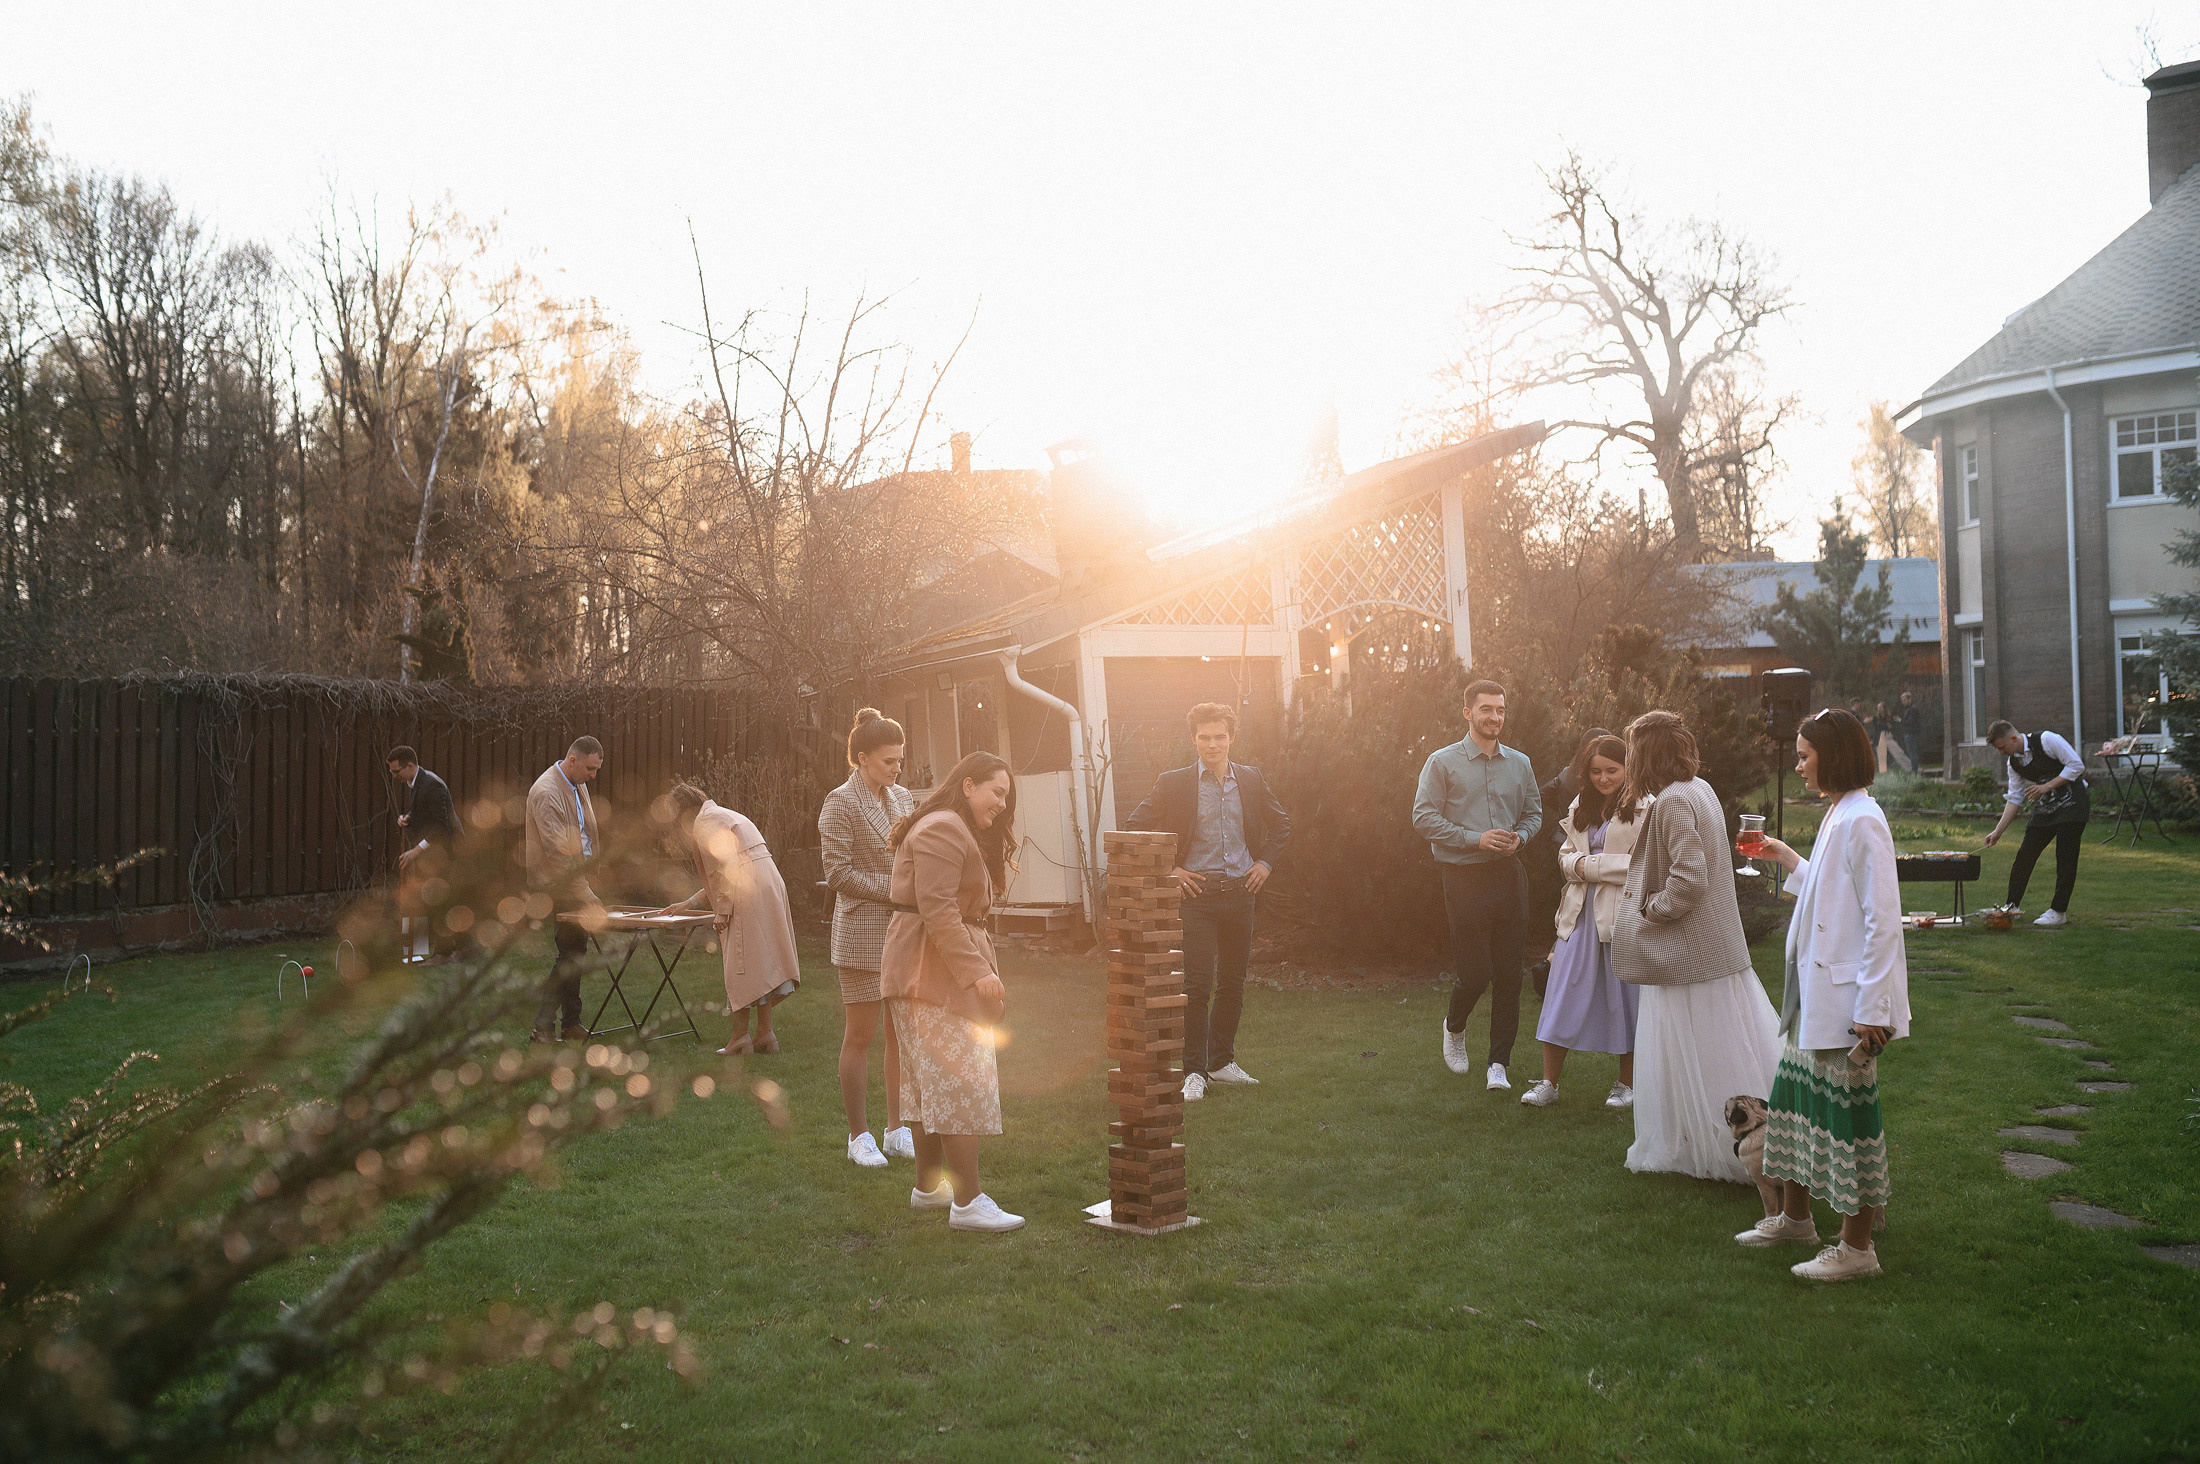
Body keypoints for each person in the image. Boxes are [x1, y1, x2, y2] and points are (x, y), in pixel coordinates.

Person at [1750, 707, 1909, 1281]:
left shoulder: (1864, 818)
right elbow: (1828, 892)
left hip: (1847, 1006)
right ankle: (1795, 1219)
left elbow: (1882, 919)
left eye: (1804, 757)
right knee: (1795, 1108)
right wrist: (1789, 859)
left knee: (1848, 1125)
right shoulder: (1842, 811)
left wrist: (1873, 1009)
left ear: (1833, 756)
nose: (1798, 768)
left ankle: (1858, 1249)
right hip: (1812, 998)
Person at [1610, 710, 1781, 1182]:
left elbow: (1690, 878)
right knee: (1732, 1047)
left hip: (1690, 955)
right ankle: (1753, 1141)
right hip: (1718, 949)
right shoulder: (1699, 789)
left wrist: (1653, 909)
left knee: (1697, 1052)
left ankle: (1710, 1146)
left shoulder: (1673, 800)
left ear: (1646, 754)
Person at [882, 751, 1022, 1233]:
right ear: (967, 785)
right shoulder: (944, 827)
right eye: (996, 792)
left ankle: (928, 1188)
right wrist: (976, 973)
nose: (1002, 804)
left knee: (923, 1083)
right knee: (960, 1080)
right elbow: (938, 907)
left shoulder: (939, 823)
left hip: (916, 965)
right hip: (934, 967)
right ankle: (968, 1202)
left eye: (1006, 795)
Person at [1125, 701, 1291, 1102]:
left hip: (1241, 894)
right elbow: (1134, 827)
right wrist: (1171, 870)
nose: (1212, 745)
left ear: (1232, 738)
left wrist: (1265, 863)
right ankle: (1194, 1072)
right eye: (1204, 737)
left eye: (1220, 737)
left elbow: (1281, 823)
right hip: (1196, 898)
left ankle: (1221, 1062)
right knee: (1197, 985)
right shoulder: (1174, 783)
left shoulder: (1249, 779)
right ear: (1193, 739)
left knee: (1233, 983)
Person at [1413, 679, 1541, 1091]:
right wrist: (1476, 838)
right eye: (1486, 709)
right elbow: (1423, 818)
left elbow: (1534, 813)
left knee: (1509, 975)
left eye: (1500, 710)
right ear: (1468, 713)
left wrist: (1521, 836)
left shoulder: (1520, 763)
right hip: (1463, 877)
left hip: (1508, 876)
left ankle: (1498, 1065)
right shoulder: (1442, 762)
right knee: (1475, 972)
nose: (1495, 717)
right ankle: (1454, 1026)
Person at [818, 708, 920, 1166]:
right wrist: (898, 892)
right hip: (860, 934)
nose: (897, 769)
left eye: (900, 760)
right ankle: (859, 1137)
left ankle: (896, 1128)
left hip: (901, 934)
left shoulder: (903, 799)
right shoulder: (839, 801)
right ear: (861, 758)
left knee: (901, 1034)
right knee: (860, 1035)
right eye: (887, 761)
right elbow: (837, 873)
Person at [1519, 734, 1641, 1110]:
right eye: (1596, 771)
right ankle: (1548, 1084)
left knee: (1627, 997)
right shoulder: (1580, 805)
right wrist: (1578, 865)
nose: (1604, 779)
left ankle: (1627, 1083)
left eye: (1612, 771)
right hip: (1579, 913)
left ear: (1628, 768)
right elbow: (1566, 856)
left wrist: (1591, 867)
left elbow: (1643, 864)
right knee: (1560, 992)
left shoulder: (1645, 807)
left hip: (1620, 915)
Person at [654, 783, 801, 1056]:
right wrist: (690, 903)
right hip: (766, 883)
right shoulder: (722, 814)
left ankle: (740, 1038)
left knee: (740, 962)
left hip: (746, 889)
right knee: (762, 962)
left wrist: (722, 910)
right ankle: (764, 1034)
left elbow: (727, 867)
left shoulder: (705, 822)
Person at [1524, 728, 1614, 1003]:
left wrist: (1560, 815)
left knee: (1572, 913)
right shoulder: (1602, 778)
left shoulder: (1566, 774)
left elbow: (1539, 794)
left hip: (1565, 851)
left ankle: (1553, 964)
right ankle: (1562, 968)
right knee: (1585, 915)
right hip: (1593, 854)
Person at [526, 737, 604, 1043]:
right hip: (560, 884)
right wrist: (586, 893)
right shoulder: (547, 793)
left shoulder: (576, 782)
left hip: (579, 880)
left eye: (596, 769)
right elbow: (559, 856)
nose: (593, 776)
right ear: (572, 760)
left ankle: (571, 1024)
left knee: (575, 954)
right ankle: (542, 1028)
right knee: (568, 955)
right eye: (590, 768)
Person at [1980, 718, 2089, 926]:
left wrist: (2045, 787)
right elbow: (2014, 799)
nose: (2001, 753)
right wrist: (1997, 832)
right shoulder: (2013, 763)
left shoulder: (2048, 740)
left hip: (2073, 804)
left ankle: (2058, 912)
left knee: (2065, 857)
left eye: (2002, 747)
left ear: (2013, 737)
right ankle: (2011, 906)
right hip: (2046, 809)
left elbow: (2076, 765)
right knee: (2025, 855)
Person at [388, 745, 462, 962]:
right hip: (433, 854)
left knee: (441, 902)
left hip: (448, 851)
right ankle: (426, 951)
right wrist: (408, 817)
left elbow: (441, 825)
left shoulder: (433, 785)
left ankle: (442, 954)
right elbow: (423, 809)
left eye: (396, 771)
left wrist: (416, 851)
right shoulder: (415, 782)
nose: (394, 776)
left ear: (410, 766)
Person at [1895, 690, 1922, 773]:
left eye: (1904, 700)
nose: (1903, 702)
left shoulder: (1912, 709)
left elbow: (1911, 722)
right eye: (1902, 700)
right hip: (1908, 734)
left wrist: (1900, 720)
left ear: (1909, 699)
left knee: (1912, 753)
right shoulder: (1909, 709)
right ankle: (1914, 770)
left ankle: (1915, 771)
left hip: (1910, 734)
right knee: (1911, 753)